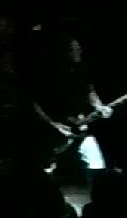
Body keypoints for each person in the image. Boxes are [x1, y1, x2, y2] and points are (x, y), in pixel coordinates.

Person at [29, 30, 113, 185]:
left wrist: (100, 106)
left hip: (78, 125)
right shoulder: (46, 75)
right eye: (74, 49)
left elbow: (90, 91)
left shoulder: (82, 70)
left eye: (79, 48)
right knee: (45, 168)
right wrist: (53, 125)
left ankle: (100, 193)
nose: (79, 52)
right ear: (63, 52)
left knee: (97, 164)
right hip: (53, 129)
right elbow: (34, 103)